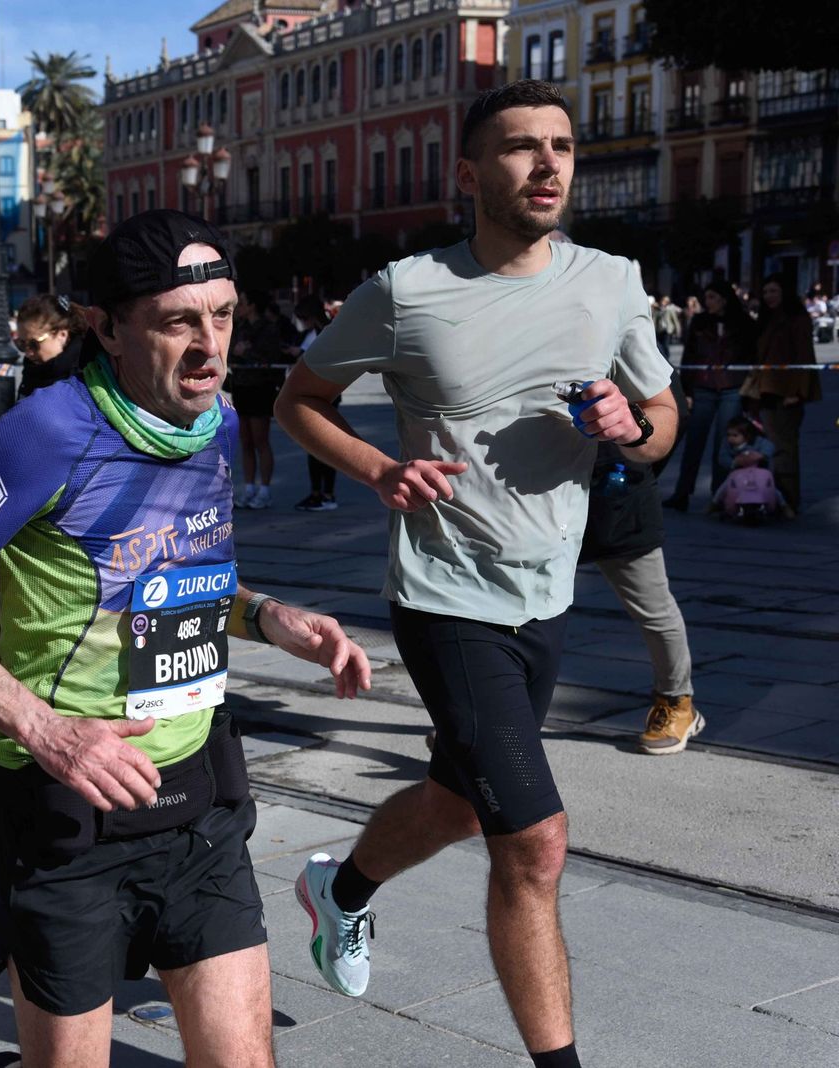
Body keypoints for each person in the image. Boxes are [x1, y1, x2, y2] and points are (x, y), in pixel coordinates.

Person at [0, 209, 371, 1068]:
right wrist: (46, 730)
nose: (211, 346)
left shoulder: (208, 425)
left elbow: (173, 570)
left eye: (223, 313)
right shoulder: (48, 431)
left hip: (200, 801)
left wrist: (263, 616)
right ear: (105, 326)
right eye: (180, 320)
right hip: (68, 818)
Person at [274, 80, 676, 1068]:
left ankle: (341, 890)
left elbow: (662, 423)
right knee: (532, 841)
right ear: (468, 174)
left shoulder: (613, 281)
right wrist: (378, 469)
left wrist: (633, 429)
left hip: (545, 597)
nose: (546, 165)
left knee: (460, 800)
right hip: (445, 597)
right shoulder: (407, 291)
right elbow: (300, 398)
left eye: (561, 146)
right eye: (518, 148)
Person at [580, 378, 704, 754]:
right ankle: (498, 720)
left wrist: (636, 464)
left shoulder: (623, 328)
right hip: (543, 492)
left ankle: (677, 702)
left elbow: (672, 413)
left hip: (617, 497)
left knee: (654, 609)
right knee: (522, 607)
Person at [664, 280, 752, 511]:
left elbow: (751, 355)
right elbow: (689, 357)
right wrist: (686, 391)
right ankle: (682, 493)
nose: (708, 302)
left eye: (713, 297)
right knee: (694, 443)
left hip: (732, 388)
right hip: (703, 387)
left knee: (723, 443)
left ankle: (720, 495)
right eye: (707, 297)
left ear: (724, 298)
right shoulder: (700, 322)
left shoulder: (742, 322)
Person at [741, 274, 819, 514]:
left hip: (786, 392)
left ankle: (788, 500)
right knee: (770, 445)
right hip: (765, 390)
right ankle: (773, 496)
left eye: (774, 291)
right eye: (765, 292)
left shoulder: (796, 318)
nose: (769, 297)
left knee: (785, 448)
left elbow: (804, 357)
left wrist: (798, 392)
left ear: (784, 292)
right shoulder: (765, 319)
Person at [228, 296, 287, 509]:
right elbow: (231, 350)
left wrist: (247, 352)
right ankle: (249, 487)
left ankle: (265, 490)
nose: (239, 307)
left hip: (261, 387)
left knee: (261, 440)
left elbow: (270, 356)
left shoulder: (268, 328)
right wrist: (238, 351)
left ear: (252, 305)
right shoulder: (239, 326)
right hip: (241, 386)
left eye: (243, 303)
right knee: (245, 441)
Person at [289, 296, 340, 512]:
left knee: (324, 447)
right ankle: (318, 492)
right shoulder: (316, 332)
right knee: (314, 448)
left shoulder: (327, 332)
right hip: (318, 395)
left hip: (325, 395)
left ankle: (326, 494)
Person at [12, 293, 84, 399]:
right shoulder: (32, 371)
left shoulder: (84, 376)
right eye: (22, 344)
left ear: (62, 335)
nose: (28, 353)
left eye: (34, 344)